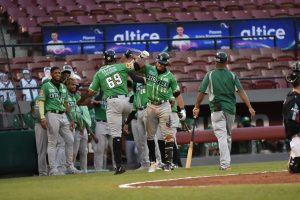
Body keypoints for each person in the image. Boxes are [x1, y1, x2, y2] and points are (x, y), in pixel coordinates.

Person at [88, 49, 148, 175]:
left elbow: (91, 92)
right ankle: (128, 124)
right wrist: (140, 57)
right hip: (127, 101)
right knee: (137, 120)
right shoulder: (121, 66)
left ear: (104, 59)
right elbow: (138, 65)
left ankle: (119, 166)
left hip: (113, 103)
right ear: (115, 58)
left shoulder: (99, 72)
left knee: (116, 135)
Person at [193, 51, 256, 170]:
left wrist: (197, 106)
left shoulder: (210, 75)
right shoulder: (232, 75)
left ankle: (225, 164)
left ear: (215, 62)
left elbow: (201, 93)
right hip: (230, 110)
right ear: (226, 62)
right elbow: (241, 92)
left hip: (216, 109)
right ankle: (226, 162)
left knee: (222, 136)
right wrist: (249, 106)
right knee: (227, 136)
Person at [141, 52, 186, 172]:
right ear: (157, 61)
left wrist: (179, 108)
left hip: (164, 105)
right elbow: (136, 66)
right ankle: (153, 162)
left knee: (168, 134)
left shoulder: (170, 76)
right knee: (150, 135)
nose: (161, 65)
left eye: (163, 64)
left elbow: (176, 93)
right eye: (160, 63)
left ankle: (169, 163)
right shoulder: (149, 69)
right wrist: (141, 57)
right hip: (150, 104)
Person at [38, 66, 79, 175]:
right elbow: (41, 102)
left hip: (63, 114)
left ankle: (70, 166)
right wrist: (42, 117)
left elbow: (66, 103)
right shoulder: (46, 86)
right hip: (51, 114)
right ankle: (53, 168)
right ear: (51, 74)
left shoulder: (62, 87)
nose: (58, 74)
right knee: (53, 142)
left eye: (59, 73)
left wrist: (71, 119)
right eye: (55, 73)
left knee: (70, 140)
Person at [282, 61, 300, 173]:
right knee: (297, 168)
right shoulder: (294, 99)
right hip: (298, 138)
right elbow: (292, 125)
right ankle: (294, 158)